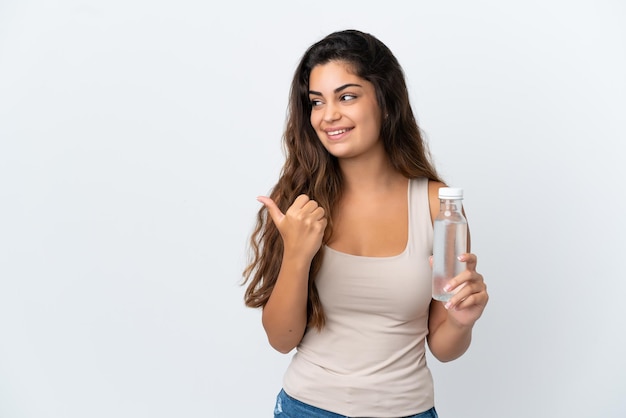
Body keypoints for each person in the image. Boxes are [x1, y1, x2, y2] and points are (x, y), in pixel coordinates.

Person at [242, 29, 488, 418]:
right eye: (317, 102)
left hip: (408, 409)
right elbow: (281, 339)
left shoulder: (437, 207)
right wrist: (296, 255)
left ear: (386, 102)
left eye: (347, 96)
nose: (329, 115)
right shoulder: (301, 205)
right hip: (307, 408)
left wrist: (462, 321)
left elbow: (443, 349)